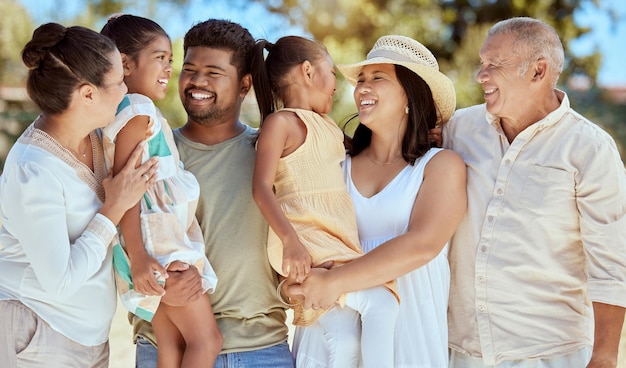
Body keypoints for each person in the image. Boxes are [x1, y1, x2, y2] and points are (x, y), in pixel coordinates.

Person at [442, 17, 626, 368]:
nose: (481, 76)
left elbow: (612, 262)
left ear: (538, 72)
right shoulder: (458, 130)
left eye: (493, 65)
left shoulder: (589, 149)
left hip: (551, 354)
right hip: (461, 352)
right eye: (482, 64)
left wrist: (604, 356)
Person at [289, 35, 467, 368]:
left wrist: (335, 282)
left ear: (410, 97)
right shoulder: (336, 164)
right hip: (331, 332)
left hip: (407, 328)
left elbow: (422, 244)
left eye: (378, 78)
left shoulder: (441, 165)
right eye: (361, 80)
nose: (361, 88)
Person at [131, 19, 295, 368]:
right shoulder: (151, 148)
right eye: (189, 69)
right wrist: (162, 290)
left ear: (244, 85)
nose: (197, 81)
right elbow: (121, 232)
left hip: (262, 351)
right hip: (163, 348)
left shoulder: (272, 151)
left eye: (212, 72)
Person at [0, 23, 158, 367]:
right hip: (37, 338)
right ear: (87, 94)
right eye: (118, 82)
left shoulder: (99, 135)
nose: (125, 89)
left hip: (90, 340)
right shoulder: (34, 170)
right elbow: (60, 282)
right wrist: (113, 207)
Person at [250, 35, 400, 368]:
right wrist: (290, 242)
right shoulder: (281, 123)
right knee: (382, 305)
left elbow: (373, 149)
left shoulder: (328, 127)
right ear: (308, 71)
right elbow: (260, 187)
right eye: (331, 72)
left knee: (346, 338)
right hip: (303, 237)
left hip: (332, 236)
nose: (336, 85)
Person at [100, 14, 221, 368]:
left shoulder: (125, 112)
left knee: (170, 345)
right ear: (125, 63)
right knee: (206, 341)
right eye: (160, 58)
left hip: (151, 246)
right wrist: (139, 256)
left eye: (171, 59)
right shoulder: (137, 110)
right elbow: (127, 190)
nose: (169, 68)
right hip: (158, 246)